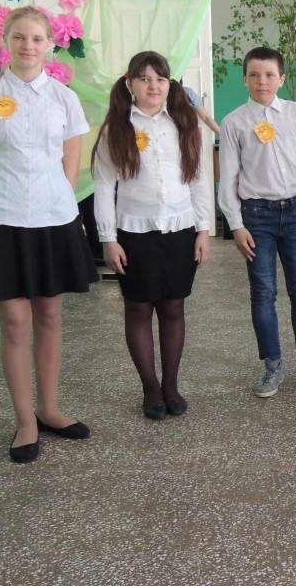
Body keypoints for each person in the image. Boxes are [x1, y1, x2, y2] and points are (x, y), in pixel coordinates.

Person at [0, 7, 97, 463]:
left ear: (50, 45)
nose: (28, 46)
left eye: (37, 39)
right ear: (5, 40)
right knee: (15, 322)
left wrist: (57, 203)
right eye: (19, 37)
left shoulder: (64, 99)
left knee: (50, 317)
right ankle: (25, 422)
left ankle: (49, 409)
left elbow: (71, 166)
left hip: (52, 220)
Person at [92, 51, 211, 420]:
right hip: (134, 232)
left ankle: (171, 385)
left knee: (173, 307)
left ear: (169, 84)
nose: (153, 86)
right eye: (144, 79)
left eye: (160, 79)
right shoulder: (116, 128)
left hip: (180, 228)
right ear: (130, 84)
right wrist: (108, 238)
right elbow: (103, 187)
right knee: (139, 308)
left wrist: (204, 229)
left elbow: (198, 179)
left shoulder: (184, 123)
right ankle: (150, 387)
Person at [218, 46, 296, 397]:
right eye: (254, 75)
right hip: (257, 218)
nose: (262, 81)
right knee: (263, 292)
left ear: (281, 79)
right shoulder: (234, 122)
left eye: (269, 75)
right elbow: (228, 178)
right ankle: (272, 366)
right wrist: (236, 225)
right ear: (245, 79)